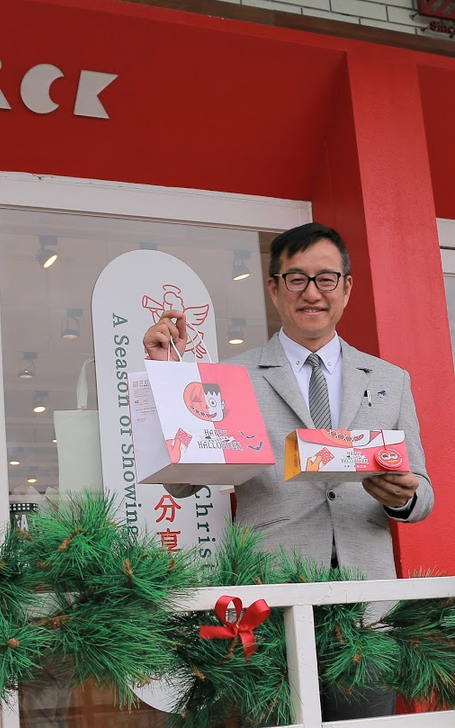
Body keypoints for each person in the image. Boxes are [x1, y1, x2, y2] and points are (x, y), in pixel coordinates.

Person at [143, 222, 434, 720]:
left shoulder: (391, 379)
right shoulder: (232, 377)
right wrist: (169, 377)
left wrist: (403, 496)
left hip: (368, 609)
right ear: (274, 288)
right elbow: (181, 481)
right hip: (270, 603)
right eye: (296, 279)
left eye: (326, 279)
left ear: (347, 287)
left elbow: (423, 494)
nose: (312, 293)